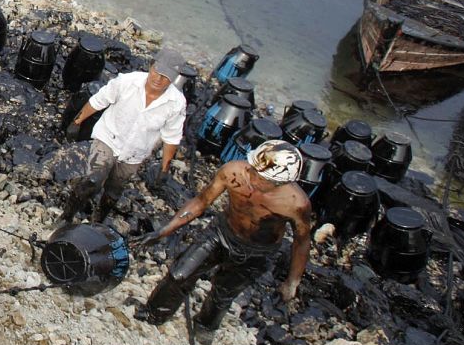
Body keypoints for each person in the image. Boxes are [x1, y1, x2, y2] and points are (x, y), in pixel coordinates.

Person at [136, 140, 327, 335]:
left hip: (257, 252)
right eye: (253, 170)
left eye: (261, 178)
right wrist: (164, 231)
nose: (252, 178)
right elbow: (201, 202)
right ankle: (154, 314)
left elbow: (302, 241)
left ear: (279, 183)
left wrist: (292, 282)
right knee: (179, 274)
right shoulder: (232, 172)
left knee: (223, 293)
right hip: (221, 232)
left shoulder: (296, 203)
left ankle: (205, 325)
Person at [63, 48, 188, 224]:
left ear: (174, 78)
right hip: (109, 138)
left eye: (166, 77)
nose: (159, 79)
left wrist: (164, 168)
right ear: (151, 66)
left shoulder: (176, 103)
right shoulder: (127, 82)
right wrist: (76, 123)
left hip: (134, 154)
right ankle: (67, 215)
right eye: (157, 72)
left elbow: (172, 137)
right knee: (93, 180)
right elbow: (99, 101)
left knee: (113, 191)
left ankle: (98, 220)